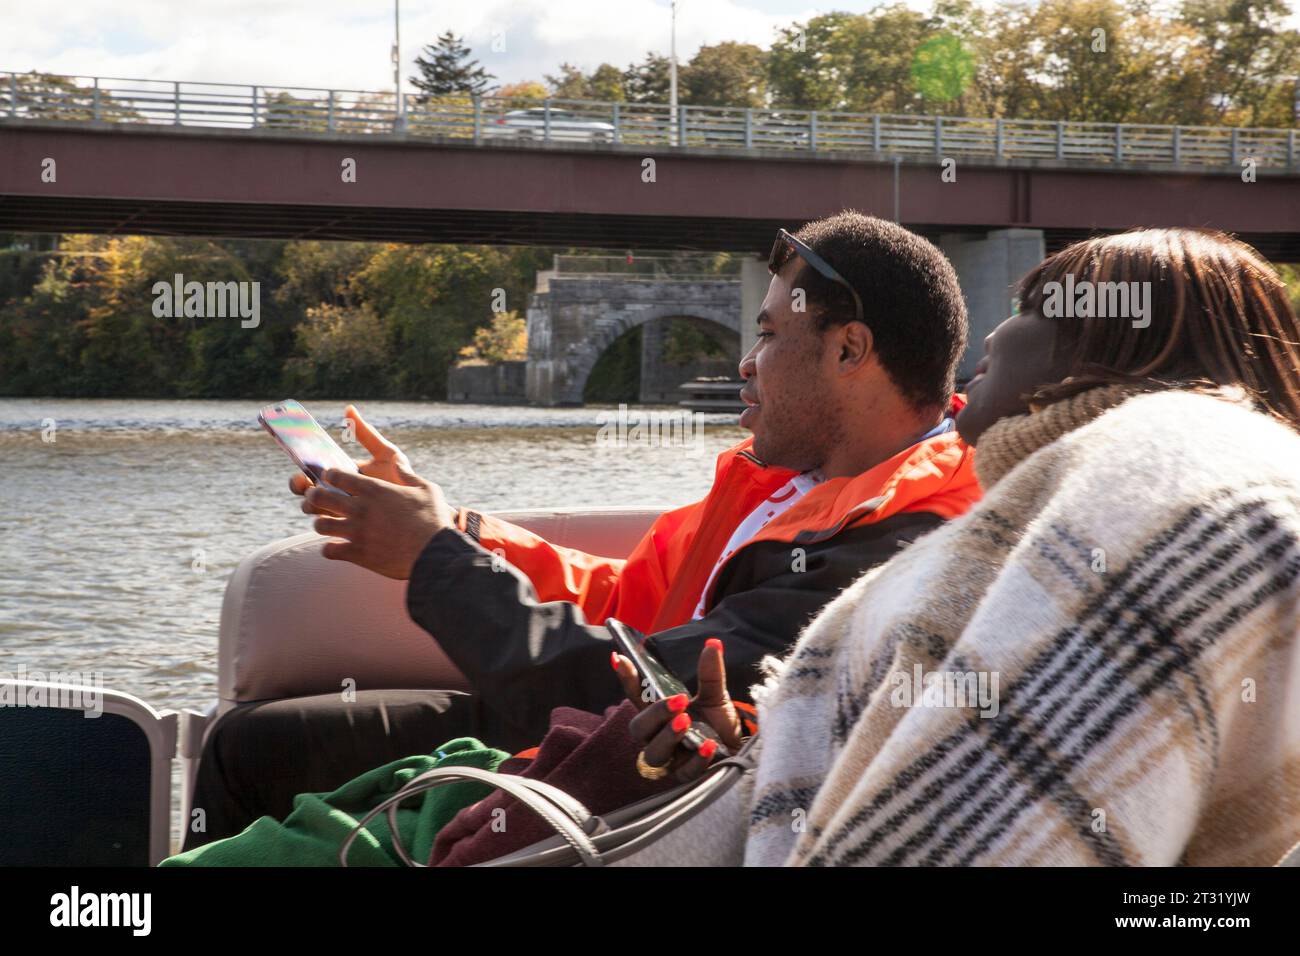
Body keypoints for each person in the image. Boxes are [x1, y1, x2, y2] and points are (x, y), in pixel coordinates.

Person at [183, 211, 982, 848]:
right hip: (584, 720)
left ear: (850, 350)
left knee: (255, 762)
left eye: (769, 335)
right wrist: (450, 526)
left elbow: (641, 693)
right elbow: (623, 598)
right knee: (249, 742)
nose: (745, 361)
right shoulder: (788, 483)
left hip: (620, 771)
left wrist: (432, 559)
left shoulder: (900, 541)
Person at [623, 226, 1300, 866]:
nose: (999, 330)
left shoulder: (1157, 481)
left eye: (1035, 308)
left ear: (1115, 348)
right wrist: (739, 745)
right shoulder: (1061, 505)